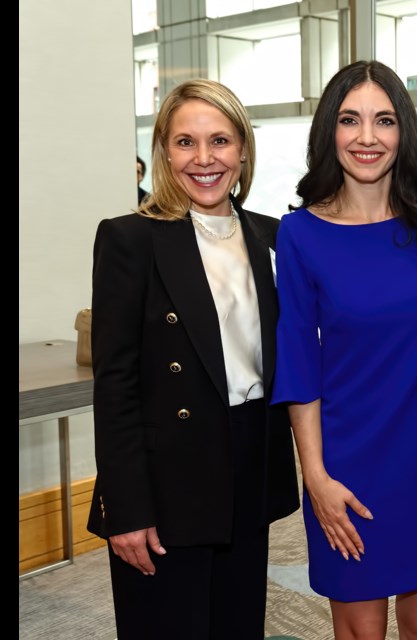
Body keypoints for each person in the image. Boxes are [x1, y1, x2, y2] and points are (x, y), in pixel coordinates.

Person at [271, 60, 417, 639]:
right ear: (329, 131)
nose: (368, 137)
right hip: (349, 460)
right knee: (361, 631)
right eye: (350, 120)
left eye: (384, 120)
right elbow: (297, 361)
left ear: (403, 131)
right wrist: (314, 475)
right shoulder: (300, 234)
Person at [86, 79, 300, 639]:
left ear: (243, 149)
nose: (204, 159)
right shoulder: (130, 239)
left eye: (220, 141)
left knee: (237, 625)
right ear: (163, 151)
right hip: (166, 478)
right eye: (185, 142)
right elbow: (114, 386)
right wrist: (125, 507)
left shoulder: (272, 238)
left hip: (248, 463)